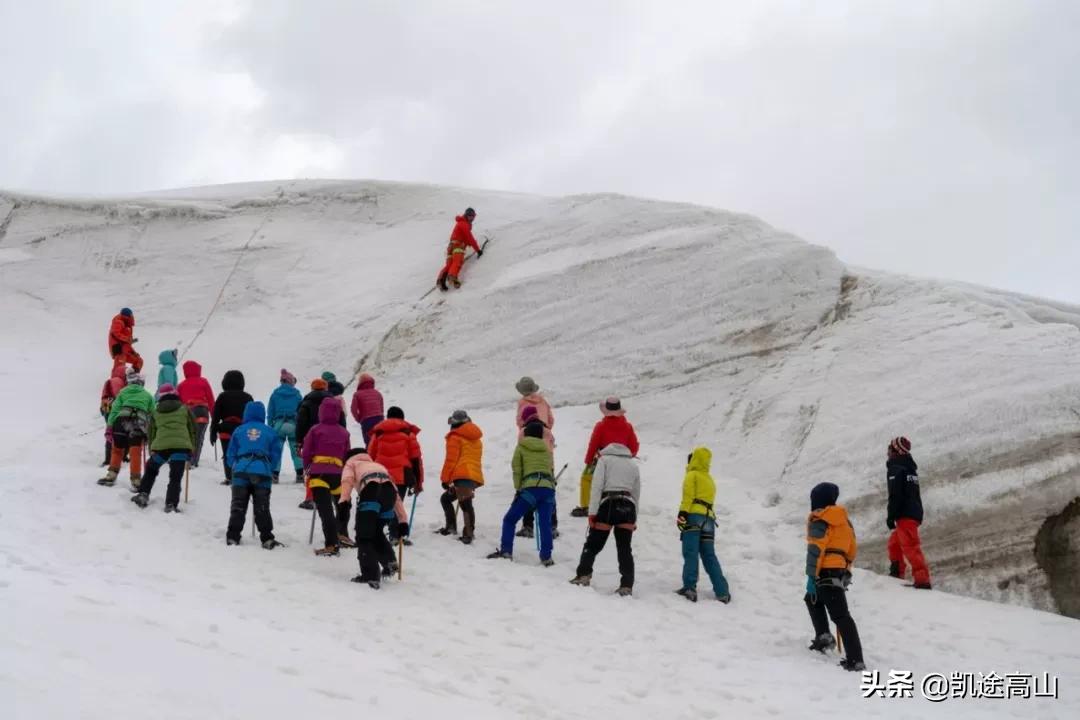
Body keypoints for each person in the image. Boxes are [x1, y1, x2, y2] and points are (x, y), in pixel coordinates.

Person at [805, 481, 865, 671]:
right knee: (813, 600)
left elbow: (815, 550)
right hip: (838, 571)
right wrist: (846, 570)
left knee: (840, 616)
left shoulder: (820, 519)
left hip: (824, 571)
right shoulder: (845, 521)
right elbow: (851, 550)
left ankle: (855, 659)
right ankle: (824, 637)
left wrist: (811, 576)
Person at [569, 443, 640, 596]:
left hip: (609, 504)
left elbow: (596, 486)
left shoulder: (604, 460)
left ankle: (583, 575)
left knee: (593, 544)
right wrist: (635, 518)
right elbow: (636, 492)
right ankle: (627, 585)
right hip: (628, 506)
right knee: (624, 548)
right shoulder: (633, 464)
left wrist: (592, 512)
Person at [487, 422, 556, 565]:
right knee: (545, 524)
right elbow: (550, 469)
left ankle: (506, 551)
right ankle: (546, 557)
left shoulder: (521, 447)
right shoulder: (546, 450)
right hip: (548, 489)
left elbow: (517, 469)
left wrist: (518, 488)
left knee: (510, 519)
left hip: (530, 488)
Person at [341, 448, 408, 589]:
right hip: (388, 496)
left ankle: (370, 575)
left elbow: (347, 481)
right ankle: (390, 561)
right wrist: (402, 521)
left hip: (371, 492)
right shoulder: (378, 466)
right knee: (376, 532)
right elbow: (395, 493)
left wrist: (344, 502)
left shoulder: (351, 464)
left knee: (364, 536)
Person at [675, 447, 731, 603]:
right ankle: (722, 592)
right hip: (709, 519)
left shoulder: (691, 475)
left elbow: (688, 497)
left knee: (690, 552)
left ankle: (690, 587)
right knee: (709, 555)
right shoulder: (709, 479)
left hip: (693, 516)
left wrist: (682, 514)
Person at [225, 400, 283, 548]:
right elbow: (276, 453)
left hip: (241, 471)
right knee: (262, 507)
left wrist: (235, 466)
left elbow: (230, 454)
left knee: (238, 506)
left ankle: (233, 536)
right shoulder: (270, 431)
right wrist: (269, 468)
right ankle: (266, 538)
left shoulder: (239, 430)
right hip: (262, 472)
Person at [130, 383, 195, 512]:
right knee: (175, 477)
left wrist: (151, 449)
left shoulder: (156, 411)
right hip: (181, 448)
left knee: (151, 469)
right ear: (175, 394)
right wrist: (192, 448)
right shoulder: (185, 409)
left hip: (161, 448)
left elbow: (151, 432)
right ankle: (171, 504)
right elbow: (192, 429)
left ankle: (143, 494)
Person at [571, 397, 639, 517]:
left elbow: (593, 445)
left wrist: (588, 461)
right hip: (623, 461)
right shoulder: (628, 427)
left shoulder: (600, 426)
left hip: (604, 461)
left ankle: (586, 506)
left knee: (586, 478)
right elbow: (634, 448)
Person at [301, 397, 351, 556]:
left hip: (319, 474)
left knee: (326, 510)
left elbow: (307, 452)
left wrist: (307, 468)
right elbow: (346, 454)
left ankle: (331, 544)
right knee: (342, 505)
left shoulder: (315, 430)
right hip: (338, 473)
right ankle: (342, 534)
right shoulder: (344, 432)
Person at [367, 406, 423, 544]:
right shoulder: (408, 433)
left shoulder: (378, 433)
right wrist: (419, 482)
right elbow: (416, 459)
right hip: (401, 476)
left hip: (380, 474)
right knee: (397, 505)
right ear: (402, 418)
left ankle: (378, 532)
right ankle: (395, 535)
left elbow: (370, 455)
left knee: (382, 503)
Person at [886, 436, 931, 589]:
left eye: (890, 448)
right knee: (894, 544)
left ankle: (922, 580)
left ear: (896, 451)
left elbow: (895, 495)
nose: (888, 451)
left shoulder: (897, 469)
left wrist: (891, 516)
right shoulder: (908, 469)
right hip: (912, 512)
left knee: (911, 547)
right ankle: (896, 575)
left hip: (905, 515)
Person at [296, 377, 346, 508]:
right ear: (326, 388)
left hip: (311, 438)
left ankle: (310, 497)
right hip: (333, 438)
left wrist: (299, 441)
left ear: (312, 388)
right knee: (332, 464)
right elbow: (342, 421)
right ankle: (331, 493)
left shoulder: (305, 403)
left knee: (312, 467)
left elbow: (300, 423)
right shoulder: (334, 403)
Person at [99, 370, 154, 489]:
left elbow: (114, 410)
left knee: (117, 450)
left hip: (120, 421)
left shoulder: (122, 393)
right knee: (135, 452)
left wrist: (109, 427)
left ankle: (111, 475)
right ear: (141, 383)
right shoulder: (147, 395)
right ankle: (136, 480)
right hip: (138, 424)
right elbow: (153, 414)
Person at [437, 410, 484, 544]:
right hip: (472, 475)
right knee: (446, 499)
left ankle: (468, 534)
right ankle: (451, 527)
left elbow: (450, 460)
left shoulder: (455, 437)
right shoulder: (476, 438)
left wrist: (445, 479)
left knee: (465, 504)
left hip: (462, 475)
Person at [517, 405, 558, 539]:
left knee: (528, 495)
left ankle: (528, 526)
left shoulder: (524, 431)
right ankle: (552, 527)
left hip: (530, 468)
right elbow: (551, 448)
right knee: (549, 497)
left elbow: (521, 451)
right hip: (548, 466)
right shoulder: (548, 431)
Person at [210, 370, 254, 485]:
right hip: (242, 430)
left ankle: (229, 477)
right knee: (242, 453)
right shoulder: (248, 397)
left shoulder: (222, 396)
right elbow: (252, 416)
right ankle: (242, 475)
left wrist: (213, 432)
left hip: (225, 430)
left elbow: (216, 417)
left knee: (227, 454)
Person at [267, 369, 304, 483]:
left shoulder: (275, 394)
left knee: (277, 450)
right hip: (293, 425)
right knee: (295, 450)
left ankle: (275, 475)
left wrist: (271, 427)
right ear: (291, 381)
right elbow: (301, 411)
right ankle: (299, 474)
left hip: (279, 425)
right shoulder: (297, 394)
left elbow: (270, 412)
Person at [178, 360, 215, 467]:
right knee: (199, 437)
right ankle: (193, 461)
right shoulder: (204, 382)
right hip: (202, 411)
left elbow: (179, 404)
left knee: (188, 436)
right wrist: (214, 417)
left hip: (187, 413)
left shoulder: (181, 385)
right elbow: (211, 399)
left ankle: (186, 458)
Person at [436, 207, 482, 291]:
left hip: (451, 246)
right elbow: (470, 238)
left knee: (449, 264)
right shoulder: (464, 224)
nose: (471, 218)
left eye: (472, 216)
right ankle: (452, 278)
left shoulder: (460, 223)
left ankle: (440, 280)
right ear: (466, 215)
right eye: (470, 216)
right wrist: (478, 250)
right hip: (458, 246)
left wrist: (468, 243)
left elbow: (465, 238)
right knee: (457, 261)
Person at [99, 364, 127, 466]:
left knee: (110, 430)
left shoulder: (111, 380)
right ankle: (114, 458)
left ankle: (108, 458)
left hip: (105, 406)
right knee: (117, 431)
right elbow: (119, 396)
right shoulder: (118, 381)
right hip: (113, 407)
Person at [350, 373, 385, 446]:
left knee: (369, 441)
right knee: (380, 439)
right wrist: (381, 416)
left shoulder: (357, 394)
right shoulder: (377, 393)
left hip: (367, 420)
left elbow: (353, 409)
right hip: (379, 418)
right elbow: (381, 407)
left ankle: (369, 455)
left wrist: (359, 419)